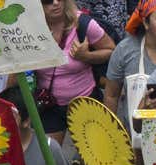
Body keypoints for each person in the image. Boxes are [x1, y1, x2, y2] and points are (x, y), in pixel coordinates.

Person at [34, 0, 115, 144]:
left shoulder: (83, 23)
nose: (56, 3)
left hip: (85, 101)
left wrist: (87, 57)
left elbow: (111, 50)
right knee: (50, 159)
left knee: (94, 159)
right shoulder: (30, 29)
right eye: (47, 1)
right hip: (49, 104)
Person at [104, 0, 156, 128]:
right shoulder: (125, 50)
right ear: (146, 23)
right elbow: (111, 95)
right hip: (134, 139)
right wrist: (112, 133)